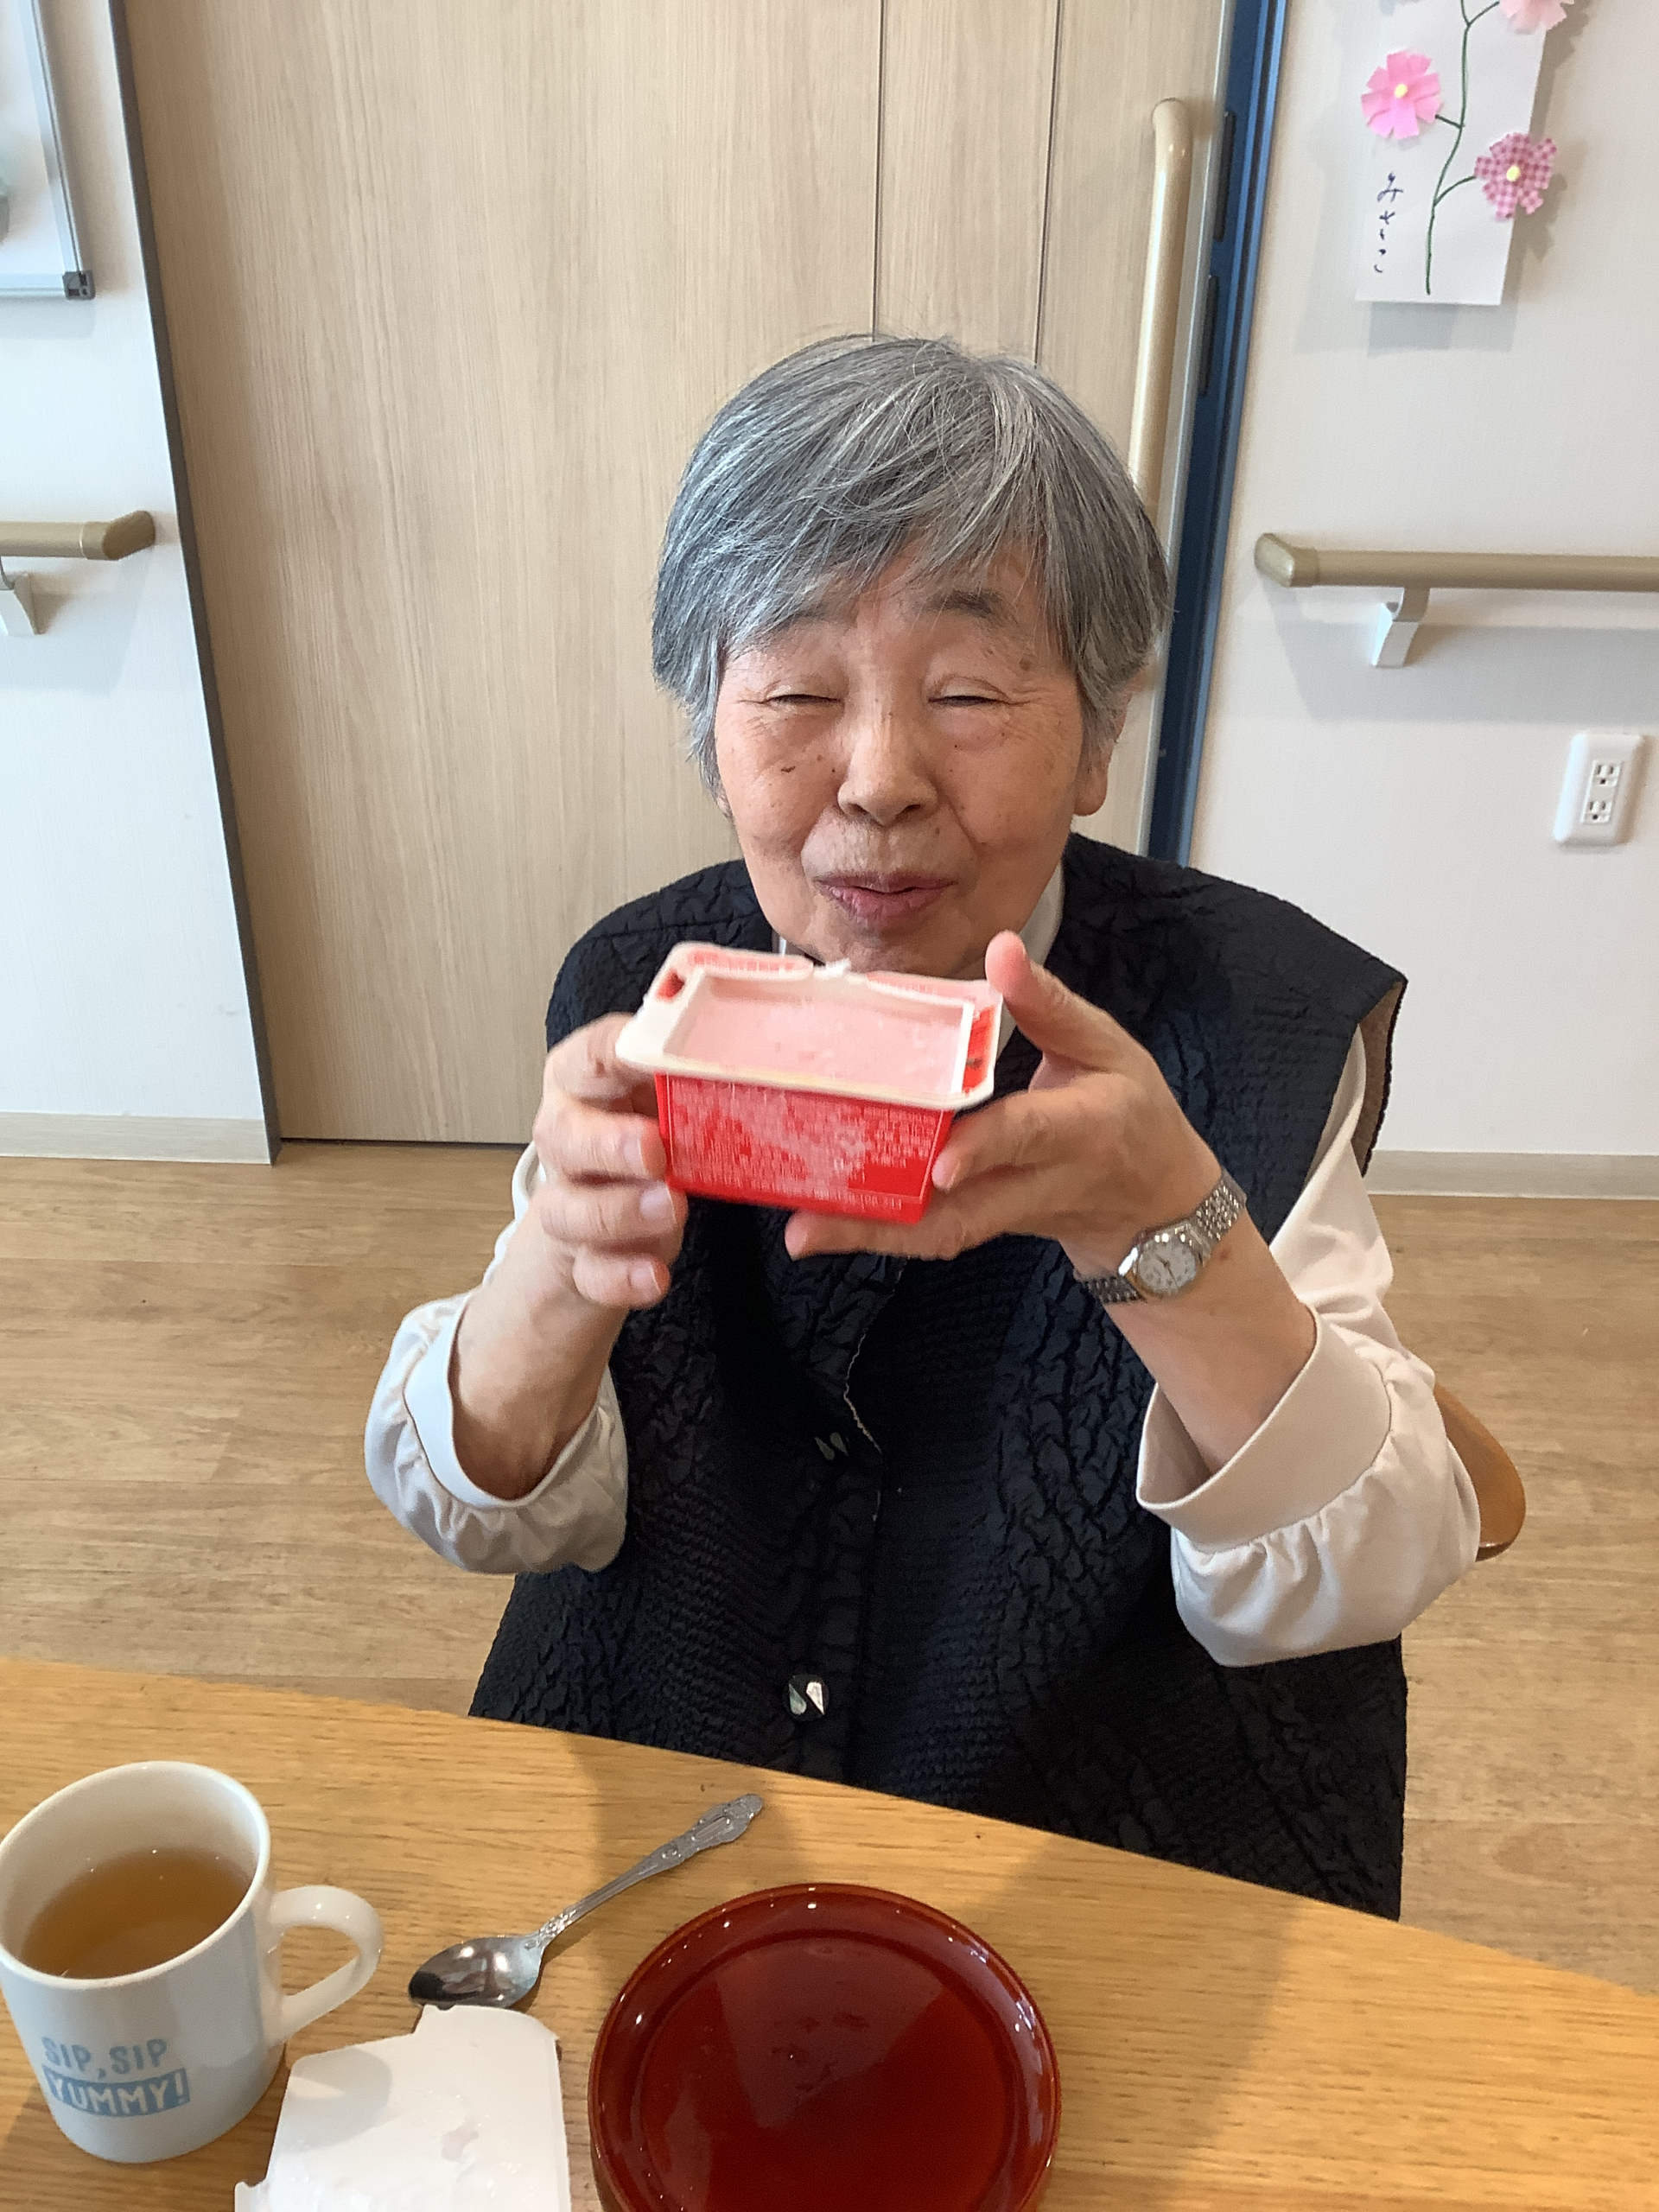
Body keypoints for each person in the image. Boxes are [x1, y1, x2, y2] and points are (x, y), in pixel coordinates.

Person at [367, 336, 1478, 1917]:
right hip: (683, 1799)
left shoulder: (1253, 1015)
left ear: (1098, 738)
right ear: (709, 729)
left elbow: (1371, 1565)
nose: (880, 779)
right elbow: (489, 1505)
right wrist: (561, 1248)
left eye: (967, 694)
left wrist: (1167, 1231)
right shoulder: (642, 985)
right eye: (796, 693)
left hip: (1091, 1828)